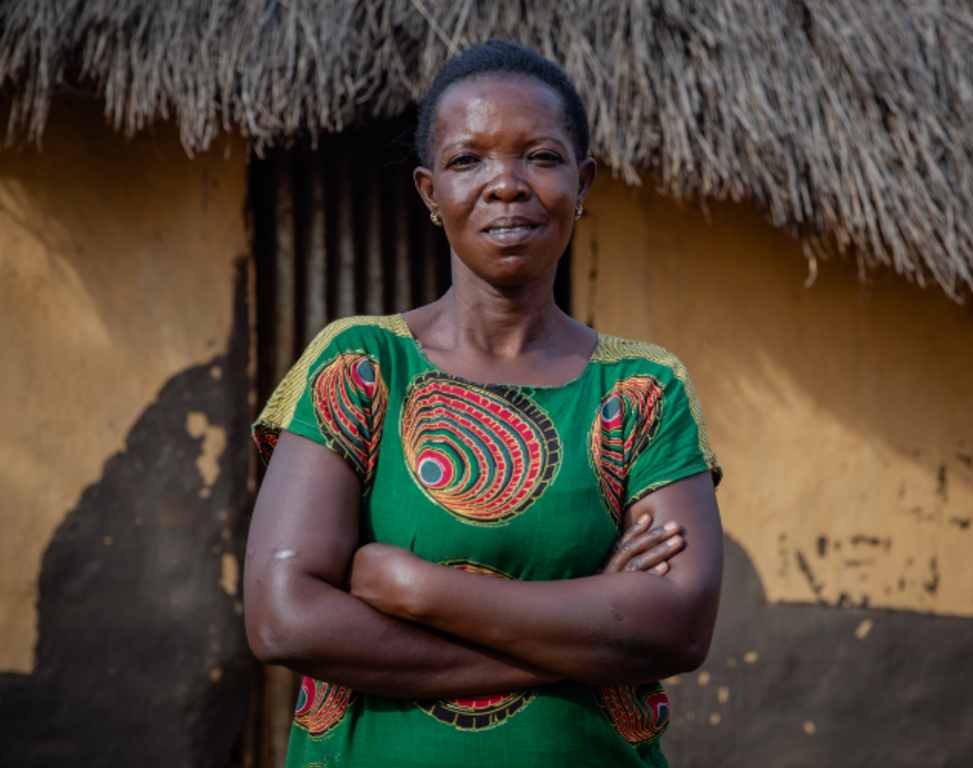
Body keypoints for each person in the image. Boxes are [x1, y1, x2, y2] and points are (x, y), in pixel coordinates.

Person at [245, 39, 724, 768]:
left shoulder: (641, 391)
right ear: (430, 192)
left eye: (540, 156)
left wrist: (415, 588)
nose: (506, 184)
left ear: (582, 182)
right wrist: (588, 626)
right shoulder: (362, 366)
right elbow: (285, 620)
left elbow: (679, 628)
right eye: (469, 160)